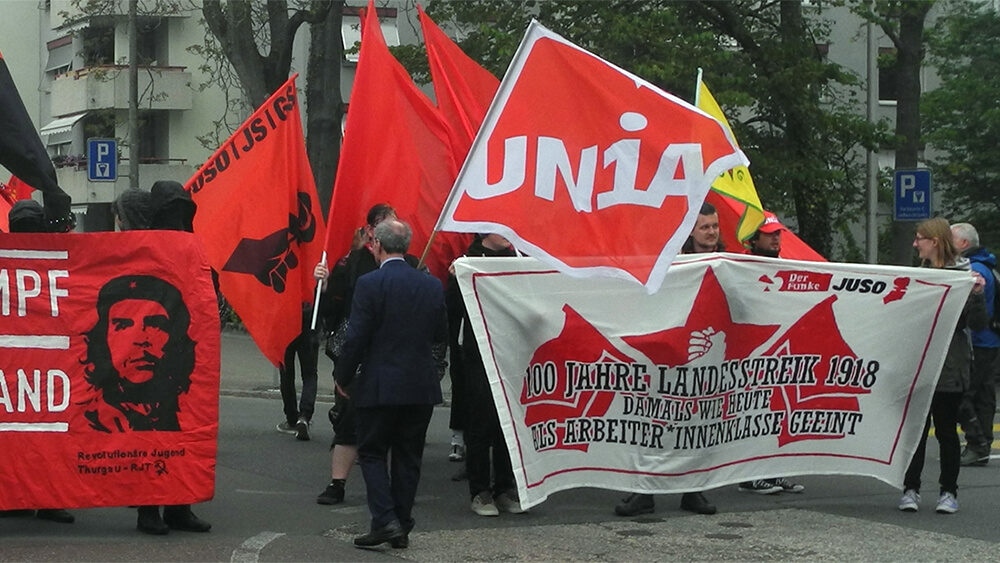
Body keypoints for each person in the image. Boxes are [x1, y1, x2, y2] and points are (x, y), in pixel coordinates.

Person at [335, 219, 447, 549]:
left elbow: (356, 337)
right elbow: (440, 334)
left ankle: (385, 520)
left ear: (378, 246)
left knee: (371, 452)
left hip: (380, 382)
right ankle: (402, 522)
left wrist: (342, 376)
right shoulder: (431, 285)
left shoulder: (371, 283)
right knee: (408, 456)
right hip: (420, 383)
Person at [110, 184, 212, 535]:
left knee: (182, 432)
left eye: (184, 214)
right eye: (173, 213)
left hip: (182, 355)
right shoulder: (141, 249)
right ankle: (149, 509)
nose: (179, 221)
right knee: (147, 436)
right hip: (144, 355)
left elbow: (206, 296)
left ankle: (180, 505)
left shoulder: (194, 248)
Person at [615, 203, 722, 517]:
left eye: (715, 226)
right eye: (705, 227)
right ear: (691, 229)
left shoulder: (729, 263)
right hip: (666, 359)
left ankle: (693, 490)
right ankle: (644, 491)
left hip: (708, 363)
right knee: (653, 422)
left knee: (698, 426)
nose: (712, 232)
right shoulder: (671, 263)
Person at [313, 204, 420, 507]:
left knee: (389, 434)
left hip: (397, 362)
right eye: (383, 223)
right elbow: (333, 313)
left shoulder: (417, 268)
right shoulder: (351, 264)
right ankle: (338, 483)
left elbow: (434, 325)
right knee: (349, 422)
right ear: (371, 232)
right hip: (359, 360)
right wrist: (321, 284)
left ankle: (389, 497)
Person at [899, 217, 988, 514]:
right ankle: (910, 488)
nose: (915, 243)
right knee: (916, 431)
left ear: (934, 242)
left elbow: (976, 324)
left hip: (950, 365)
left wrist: (976, 295)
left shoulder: (965, 274)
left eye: (919, 238)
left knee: (947, 431)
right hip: (920, 364)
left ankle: (948, 492)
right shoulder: (918, 275)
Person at [0, 199, 75, 524]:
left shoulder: (60, 259)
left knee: (46, 436)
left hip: (49, 364)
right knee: (16, 436)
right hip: (14, 363)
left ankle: (45, 499)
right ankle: (20, 498)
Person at [447, 233, 524, 516]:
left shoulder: (519, 260)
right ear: (485, 231)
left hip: (512, 348)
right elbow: (453, 311)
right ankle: (480, 491)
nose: (509, 234)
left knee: (509, 422)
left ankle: (505, 487)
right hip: (478, 352)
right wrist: (456, 281)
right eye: (502, 228)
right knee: (481, 421)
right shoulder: (468, 262)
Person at [737, 211, 806, 494]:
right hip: (750, 354)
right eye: (770, 234)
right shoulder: (741, 266)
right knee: (753, 414)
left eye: (778, 234)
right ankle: (749, 475)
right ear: (756, 238)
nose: (777, 238)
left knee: (777, 412)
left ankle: (775, 471)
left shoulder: (786, 267)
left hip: (779, 355)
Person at [81, 275, 195, 432]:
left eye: (156, 325)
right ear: (101, 338)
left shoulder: (181, 420)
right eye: (123, 326)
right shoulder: (89, 424)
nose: (141, 339)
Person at [951, 222, 997, 467]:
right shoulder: (988, 266)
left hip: (975, 342)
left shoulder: (971, 270)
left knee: (963, 394)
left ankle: (977, 442)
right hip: (990, 340)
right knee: (984, 395)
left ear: (964, 244)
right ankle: (983, 444)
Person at [275, 304, 320, 441]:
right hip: (308, 321)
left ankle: (291, 417)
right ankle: (304, 415)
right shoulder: (315, 281)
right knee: (310, 374)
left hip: (285, 322)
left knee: (286, 373)